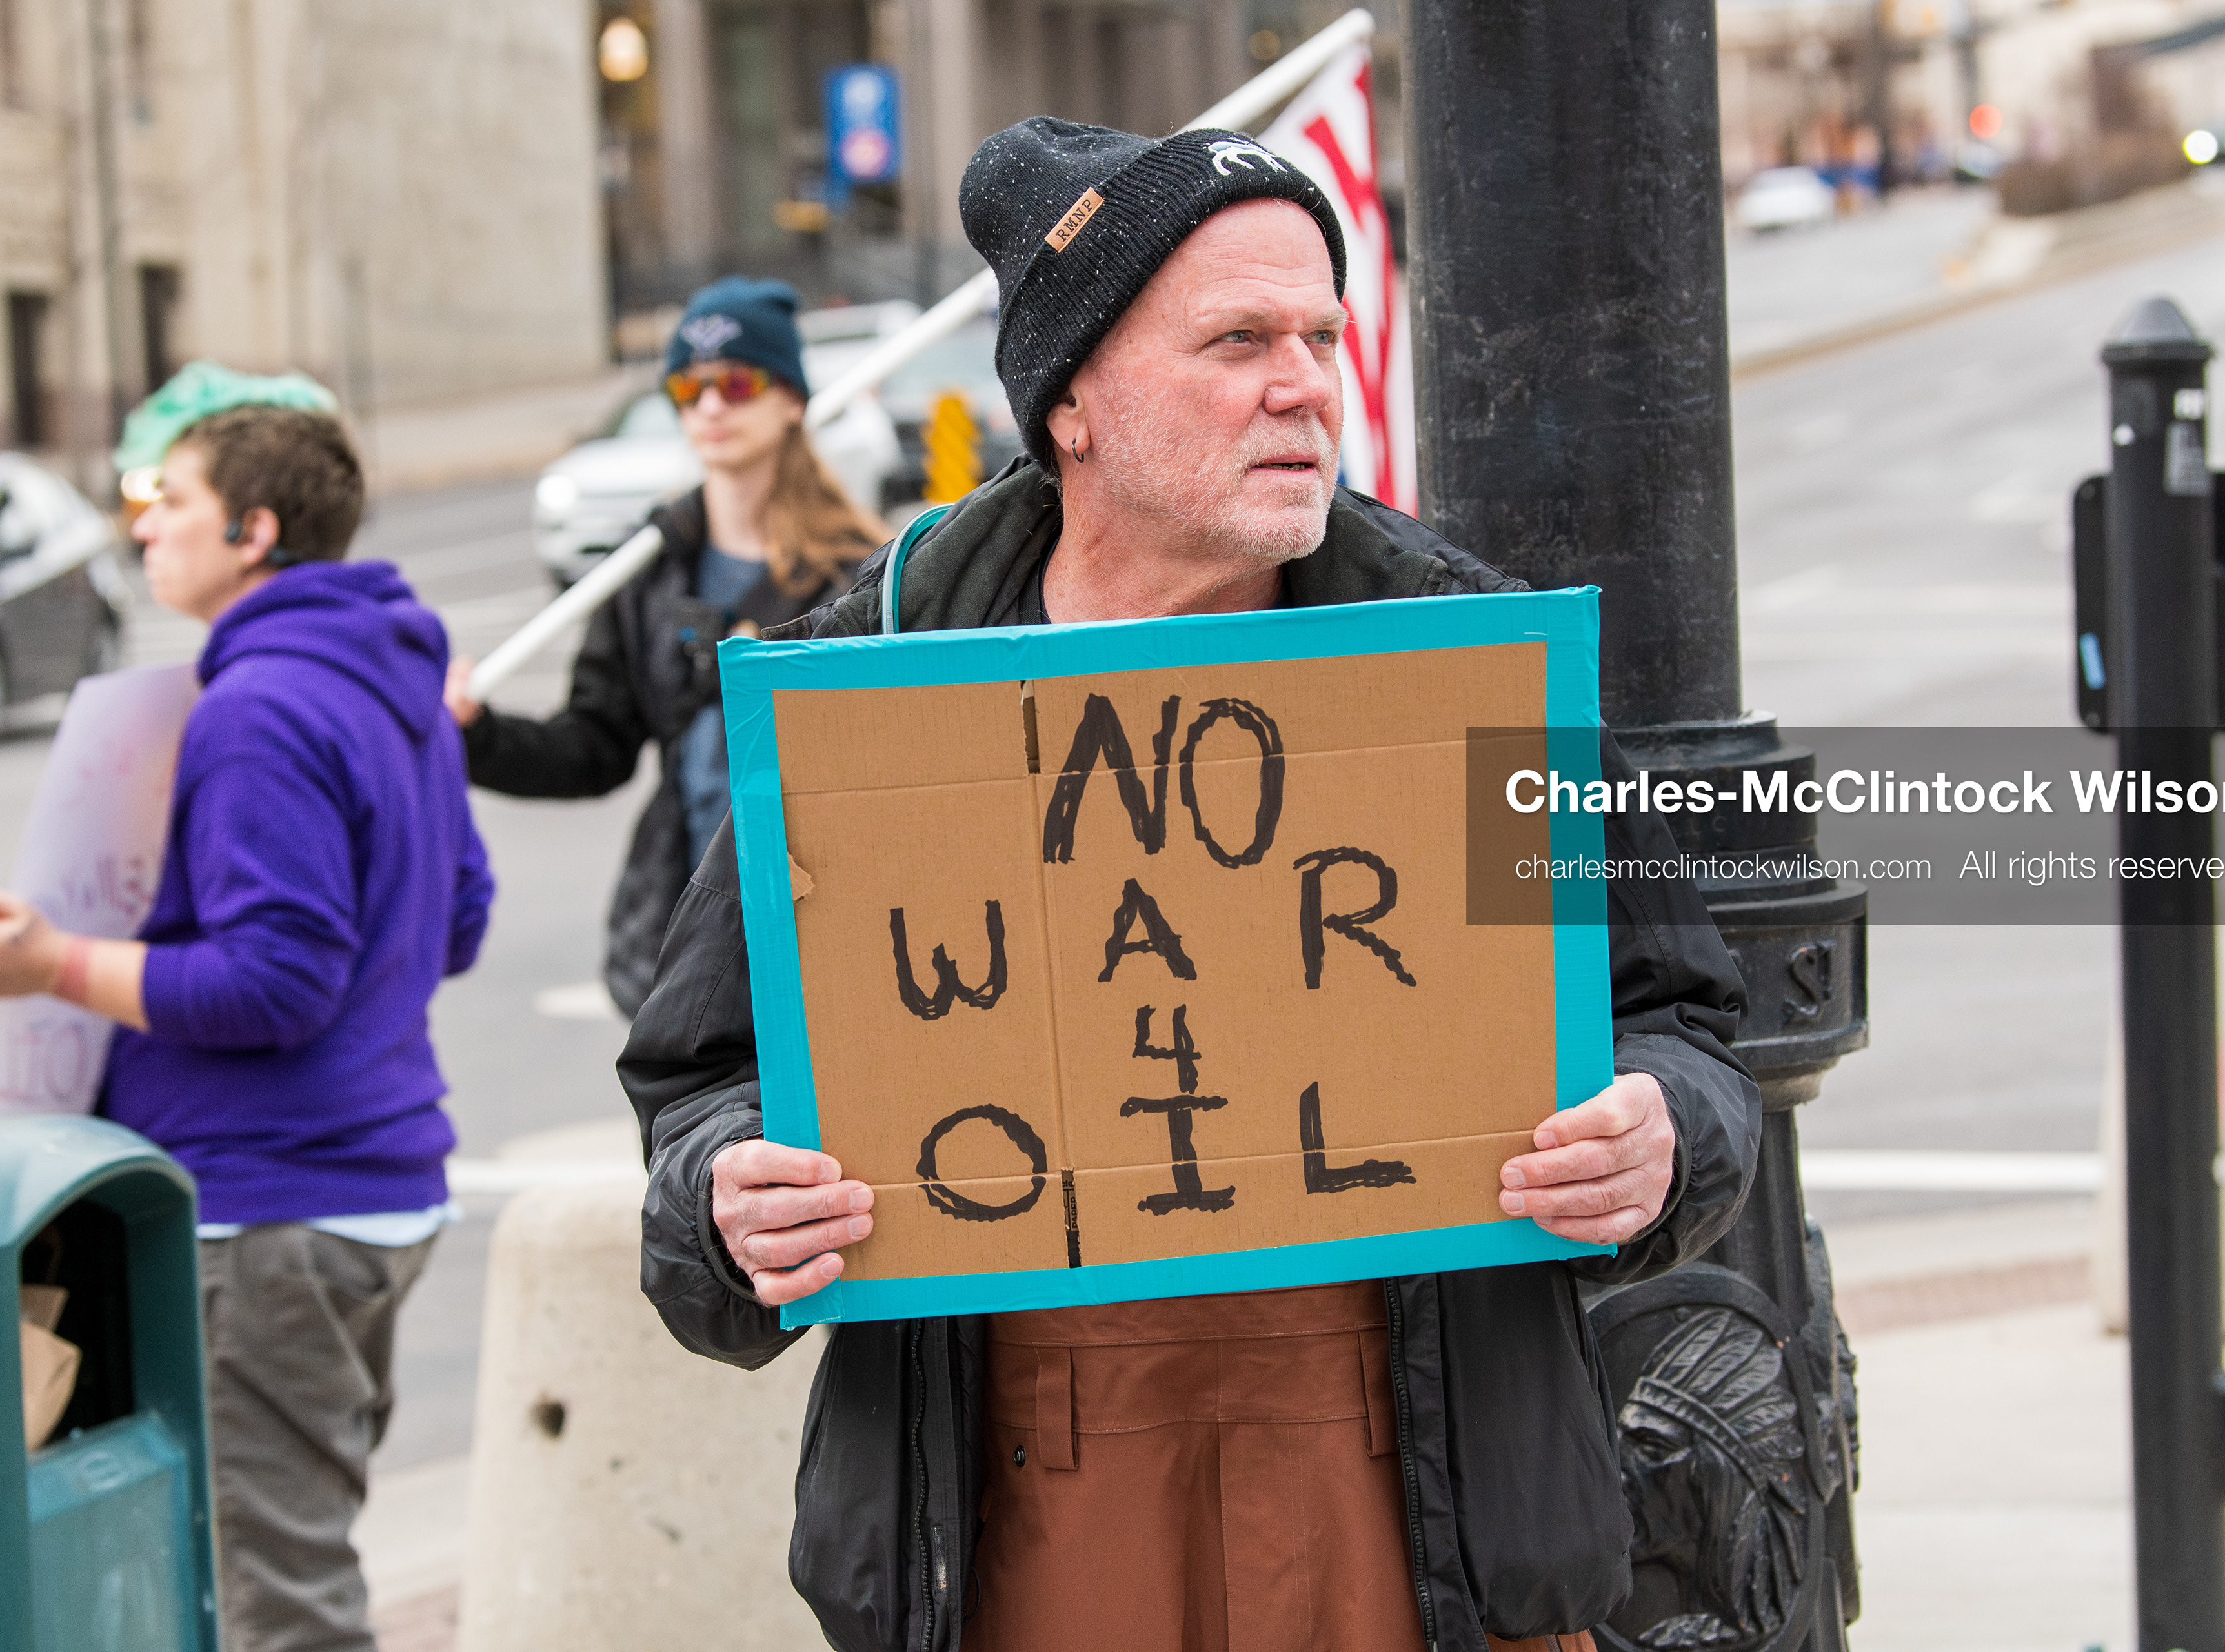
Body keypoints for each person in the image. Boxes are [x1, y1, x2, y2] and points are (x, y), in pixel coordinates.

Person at [624, 117, 1762, 1652]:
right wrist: (727, 1198)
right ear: (1072, 399)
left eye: (1317, 335)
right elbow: (698, 1079)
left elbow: (1680, 1023)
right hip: (1028, 1492)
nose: (1303, 383)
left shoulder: (1465, 667)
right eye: (1236, 340)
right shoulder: (860, 687)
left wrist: (1661, 1136)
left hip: (1409, 1499)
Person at [0, 402, 494, 1652]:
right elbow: (454, 918)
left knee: (274, 1601)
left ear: (253, 530)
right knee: (274, 1561)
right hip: (366, 1191)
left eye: (169, 498)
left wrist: (52, 961)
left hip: (270, 1216)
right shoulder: (393, 673)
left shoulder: (256, 706)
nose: (143, 521)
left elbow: (274, 983)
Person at [443, 277, 883, 1017]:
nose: (711, 406)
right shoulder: (647, 571)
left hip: (827, 915)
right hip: (693, 928)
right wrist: (476, 736)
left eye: (738, 383)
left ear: (791, 400)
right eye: (689, 387)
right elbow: (593, 746)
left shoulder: (861, 573)